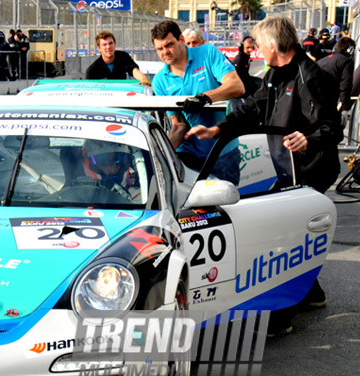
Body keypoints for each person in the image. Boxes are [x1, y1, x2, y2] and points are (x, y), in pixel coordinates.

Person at [185, 16, 342, 331]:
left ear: (274, 45)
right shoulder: (273, 73)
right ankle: (312, 293)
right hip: (286, 167)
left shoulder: (310, 75)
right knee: (288, 234)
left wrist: (307, 139)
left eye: (258, 43)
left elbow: (332, 127)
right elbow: (250, 110)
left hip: (311, 169)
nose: (255, 48)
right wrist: (218, 129)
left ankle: (280, 316)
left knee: (284, 237)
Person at [150, 20, 244, 184]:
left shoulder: (207, 53)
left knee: (226, 206)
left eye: (169, 45)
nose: (165, 52)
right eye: (160, 48)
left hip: (222, 149)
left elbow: (237, 86)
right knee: (190, 208)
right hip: (189, 154)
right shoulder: (159, 81)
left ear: (181, 40)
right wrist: (160, 157)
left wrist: (204, 98)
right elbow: (179, 125)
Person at [85, 30, 151, 85]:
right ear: (99, 48)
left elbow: (133, 70)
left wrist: (143, 78)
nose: (108, 47)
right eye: (104, 44)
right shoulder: (92, 71)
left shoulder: (123, 57)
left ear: (115, 44)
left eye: (110, 43)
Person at [317, 36, 356, 126]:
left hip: (316, 103)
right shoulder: (346, 62)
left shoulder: (322, 61)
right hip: (331, 103)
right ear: (350, 50)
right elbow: (346, 85)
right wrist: (345, 109)